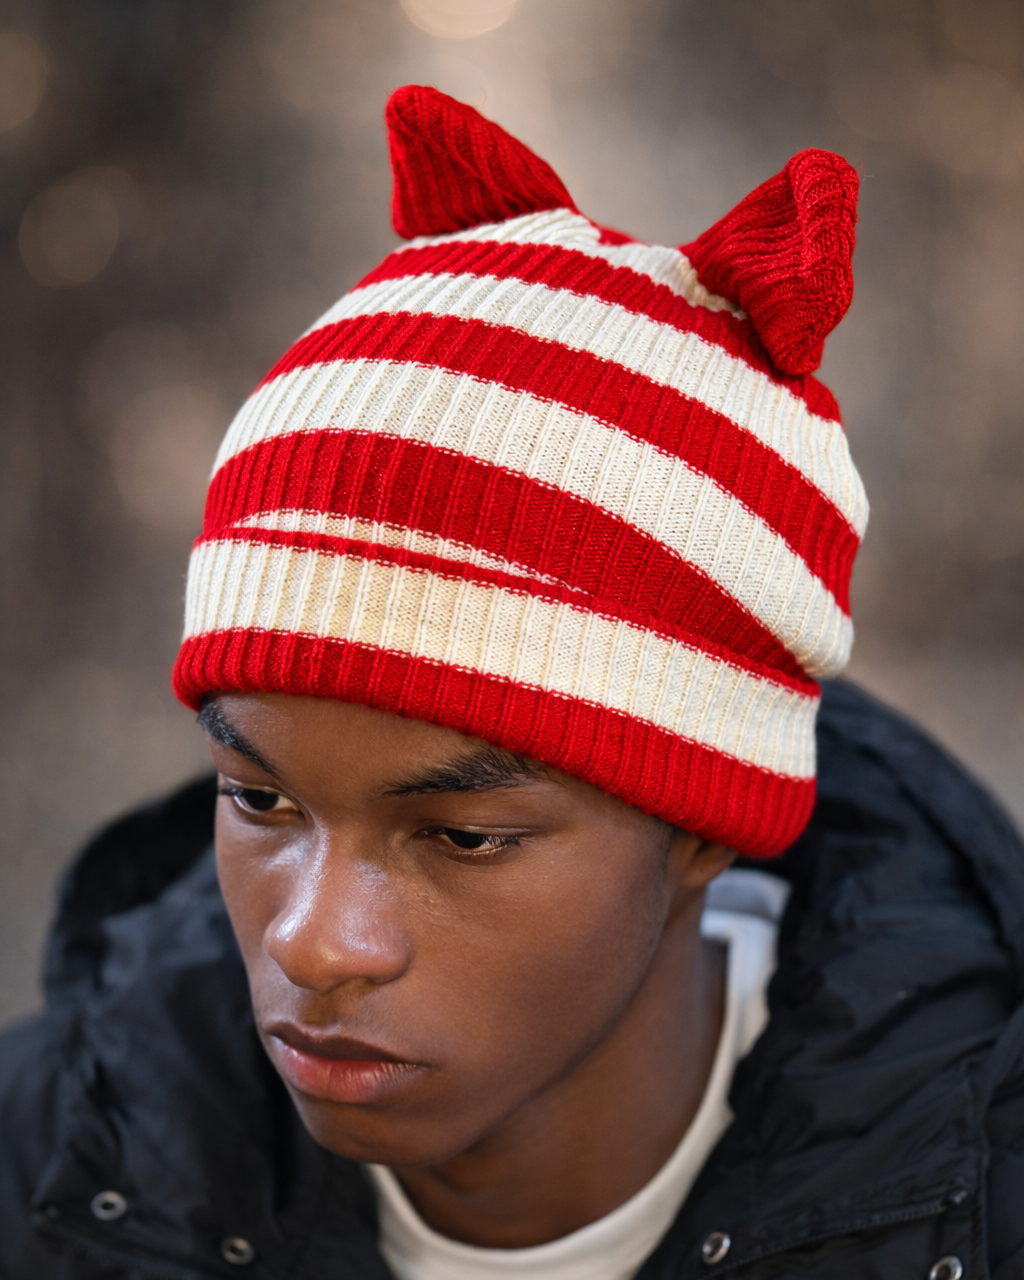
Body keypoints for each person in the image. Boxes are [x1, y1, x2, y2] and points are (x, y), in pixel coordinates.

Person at [2, 86, 1022, 1280]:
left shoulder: (986, 1208)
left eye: (465, 835)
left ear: (704, 821)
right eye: (261, 799)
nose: (316, 939)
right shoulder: (44, 1167)